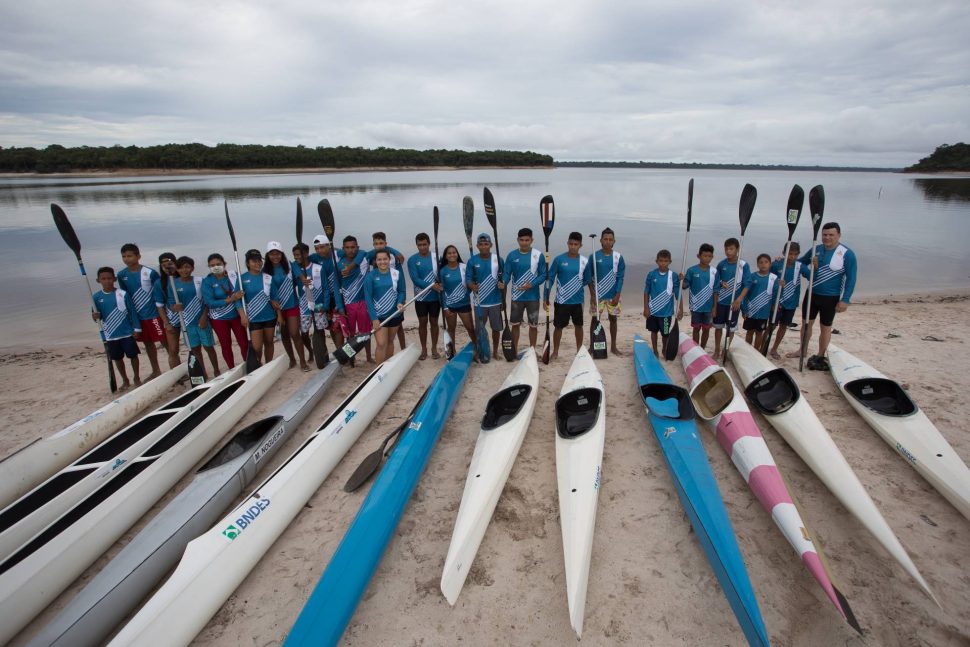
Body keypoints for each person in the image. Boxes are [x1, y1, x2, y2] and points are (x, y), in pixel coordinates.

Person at [788, 222, 858, 370]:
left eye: (831, 235)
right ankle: (802, 350)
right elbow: (799, 263)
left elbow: (851, 279)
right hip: (812, 294)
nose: (827, 237)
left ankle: (820, 355)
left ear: (838, 235)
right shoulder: (816, 249)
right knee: (806, 325)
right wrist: (784, 261)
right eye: (825, 234)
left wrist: (845, 300)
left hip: (830, 297)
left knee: (825, 328)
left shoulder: (847, 254)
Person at [117, 243, 168, 379]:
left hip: (154, 315)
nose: (127, 259)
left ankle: (175, 365)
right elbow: (124, 296)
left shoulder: (150, 272)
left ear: (138, 256)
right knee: (148, 344)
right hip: (138, 317)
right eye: (124, 256)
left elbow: (161, 290)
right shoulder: (121, 275)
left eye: (130, 256)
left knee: (164, 341)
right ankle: (156, 370)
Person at [168, 256, 220, 376]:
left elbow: (208, 300)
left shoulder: (200, 281)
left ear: (192, 268)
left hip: (202, 321)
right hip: (187, 323)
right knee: (195, 349)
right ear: (177, 269)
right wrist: (175, 307)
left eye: (187, 267)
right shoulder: (173, 284)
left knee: (208, 347)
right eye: (181, 268)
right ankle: (203, 372)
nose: (184, 270)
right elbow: (171, 303)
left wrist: (204, 316)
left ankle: (216, 370)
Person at [92, 266, 141, 389]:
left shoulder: (122, 294)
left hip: (127, 333)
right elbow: (96, 318)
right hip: (111, 335)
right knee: (118, 358)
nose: (107, 281)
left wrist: (137, 328)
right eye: (103, 279)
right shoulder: (96, 297)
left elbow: (132, 312)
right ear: (98, 280)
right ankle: (125, 380)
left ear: (114, 279)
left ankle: (137, 377)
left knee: (133, 356)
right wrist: (95, 316)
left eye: (109, 278)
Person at [545, 232, 591, 360]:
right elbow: (550, 279)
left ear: (580, 245)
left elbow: (588, 280)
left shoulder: (584, 261)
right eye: (571, 244)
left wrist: (592, 296)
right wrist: (546, 296)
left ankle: (579, 350)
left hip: (578, 301)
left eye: (576, 244)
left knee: (579, 326)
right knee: (558, 327)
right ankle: (555, 352)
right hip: (561, 301)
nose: (573, 247)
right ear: (567, 243)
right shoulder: (559, 260)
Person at [265, 241, 309, 372]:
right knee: (284, 335)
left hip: (292, 305)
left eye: (277, 253)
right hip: (277, 308)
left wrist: (303, 279)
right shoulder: (265, 271)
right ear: (268, 255)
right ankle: (292, 359)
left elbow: (299, 274)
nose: (275, 256)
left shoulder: (290, 265)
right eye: (272, 254)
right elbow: (267, 290)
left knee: (295, 333)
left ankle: (302, 361)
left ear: (282, 254)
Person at [201, 253, 249, 369]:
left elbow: (240, 296)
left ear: (224, 264)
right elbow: (210, 303)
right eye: (212, 265)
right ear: (209, 267)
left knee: (244, 343)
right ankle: (231, 368)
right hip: (218, 318)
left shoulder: (233, 276)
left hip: (236, 316)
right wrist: (230, 299)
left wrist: (243, 315)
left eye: (218, 264)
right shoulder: (207, 281)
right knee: (226, 345)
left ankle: (248, 364)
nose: (216, 267)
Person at [502, 227, 547, 350]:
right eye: (521, 240)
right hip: (517, 297)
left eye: (527, 240)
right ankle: (515, 349)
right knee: (515, 325)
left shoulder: (538, 255)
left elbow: (543, 275)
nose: (524, 243)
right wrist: (503, 283)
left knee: (533, 325)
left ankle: (532, 350)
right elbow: (507, 273)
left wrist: (532, 284)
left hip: (533, 297)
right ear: (518, 240)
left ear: (532, 240)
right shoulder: (511, 255)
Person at [767, 242, 810, 360]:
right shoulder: (776, 265)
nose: (792, 257)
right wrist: (776, 283)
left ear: (798, 254)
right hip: (777, 302)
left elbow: (812, 277)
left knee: (783, 326)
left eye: (795, 254)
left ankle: (774, 349)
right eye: (790, 254)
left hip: (791, 303)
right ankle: (763, 346)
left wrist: (815, 266)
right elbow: (767, 278)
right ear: (784, 253)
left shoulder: (800, 266)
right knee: (771, 325)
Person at [364, 249, 407, 364]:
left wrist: (400, 302)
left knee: (390, 341)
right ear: (375, 261)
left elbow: (402, 291)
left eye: (385, 259)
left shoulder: (396, 273)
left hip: (394, 314)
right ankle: (378, 369)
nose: (382, 262)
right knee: (381, 343)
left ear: (389, 260)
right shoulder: (370, 276)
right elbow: (368, 298)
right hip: (379, 316)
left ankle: (388, 366)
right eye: (379, 259)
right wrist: (374, 318)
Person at [467, 232, 505, 359]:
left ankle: (495, 352)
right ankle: (481, 350)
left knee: (496, 329)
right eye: (481, 244)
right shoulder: (472, 261)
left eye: (486, 244)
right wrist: (472, 286)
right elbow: (468, 279)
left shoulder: (498, 259)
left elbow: (504, 278)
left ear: (491, 245)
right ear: (477, 246)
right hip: (479, 302)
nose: (484, 246)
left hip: (495, 301)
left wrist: (503, 298)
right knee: (479, 330)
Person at [712, 238, 750, 361]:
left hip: (734, 303)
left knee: (731, 329)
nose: (728, 251)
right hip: (721, 302)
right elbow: (716, 282)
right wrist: (721, 282)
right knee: (718, 327)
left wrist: (739, 300)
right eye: (726, 249)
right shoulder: (721, 264)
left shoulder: (743, 265)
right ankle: (717, 350)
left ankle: (725, 350)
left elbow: (747, 284)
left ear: (737, 249)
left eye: (731, 249)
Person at [336, 235, 373, 363]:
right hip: (348, 304)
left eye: (353, 247)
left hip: (364, 302)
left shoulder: (365, 258)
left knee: (366, 332)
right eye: (347, 248)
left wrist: (396, 253)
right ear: (343, 249)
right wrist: (340, 307)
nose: (350, 250)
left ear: (357, 247)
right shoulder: (339, 264)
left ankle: (369, 357)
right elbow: (336, 287)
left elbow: (378, 249)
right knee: (350, 334)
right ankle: (351, 358)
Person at [590, 227, 625, 355]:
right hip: (597, 296)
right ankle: (592, 346)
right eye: (605, 239)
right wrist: (592, 295)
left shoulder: (618, 257)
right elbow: (589, 277)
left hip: (613, 295)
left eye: (610, 239)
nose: (608, 241)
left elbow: (620, 277)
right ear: (600, 240)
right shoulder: (594, 256)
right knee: (595, 320)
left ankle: (613, 347)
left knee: (613, 319)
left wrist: (617, 294)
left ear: (614, 241)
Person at [293, 243, 331, 360]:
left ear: (306, 254)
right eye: (295, 255)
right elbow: (293, 265)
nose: (296, 257)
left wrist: (326, 305)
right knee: (304, 333)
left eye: (299, 254)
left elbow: (325, 288)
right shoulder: (295, 269)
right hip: (304, 306)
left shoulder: (318, 268)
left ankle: (323, 353)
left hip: (319, 305)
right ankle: (310, 351)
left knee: (320, 331)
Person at [310, 234, 347, 354]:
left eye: (322, 247)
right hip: (327, 298)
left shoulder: (338, 254)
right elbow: (300, 261)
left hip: (340, 297)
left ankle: (344, 353)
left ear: (329, 245)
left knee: (341, 327)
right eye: (316, 248)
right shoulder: (315, 257)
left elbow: (357, 253)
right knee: (333, 327)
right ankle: (339, 352)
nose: (319, 250)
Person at [407, 232, 442, 360]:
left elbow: (442, 274)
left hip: (435, 298)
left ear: (429, 244)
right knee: (422, 323)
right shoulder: (412, 260)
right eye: (419, 245)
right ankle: (424, 349)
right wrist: (432, 286)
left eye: (424, 244)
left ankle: (434, 348)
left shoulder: (437, 257)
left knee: (434, 322)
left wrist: (441, 284)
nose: (422, 247)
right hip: (420, 297)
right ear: (416, 245)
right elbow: (415, 279)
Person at [239, 249, 277, 364]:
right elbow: (238, 300)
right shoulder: (242, 279)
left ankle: (268, 364)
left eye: (259, 260)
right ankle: (258, 365)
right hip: (253, 318)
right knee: (257, 347)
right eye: (254, 261)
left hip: (270, 316)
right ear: (248, 263)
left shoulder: (268, 277)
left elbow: (274, 297)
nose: (258, 263)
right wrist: (242, 316)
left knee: (269, 343)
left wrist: (279, 313)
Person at [440, 245, 479, 351]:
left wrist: (467, 292)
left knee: (470, 328)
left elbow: (470, 283)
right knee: (451, 329)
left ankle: (477, 348)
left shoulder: (464, 267)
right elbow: (441, 291)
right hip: (450, 306)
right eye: (449, 253)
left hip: (464, 304)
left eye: (454, 252)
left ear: (457, 254)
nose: (452, 255)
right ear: (445, 256)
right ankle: (452, 351)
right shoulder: (442, 271)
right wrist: (445, 307)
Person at [643, 249, 680, 357]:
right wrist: (646, 308)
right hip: (653, 311)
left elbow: (678, 294)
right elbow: (646, 292)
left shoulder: (673, 275)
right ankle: (655, 350)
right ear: (657, 261)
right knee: (653, 331)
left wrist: (680, 309)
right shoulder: (651, 274)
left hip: (666, 313)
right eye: (661, 261)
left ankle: (664, 348)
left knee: (665, 334)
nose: (663, 263)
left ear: (670, 262)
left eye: (665, 261)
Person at [681, 243, 717, 349]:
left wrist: (715, 307)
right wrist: (681, 280)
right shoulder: (692, 270)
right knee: (696, 328)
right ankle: (696, 348)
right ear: (699, 256)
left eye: (709, 256)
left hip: (709, 308)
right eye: (705, 256)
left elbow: (716, 290)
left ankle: (703, 348)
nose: (707, 258)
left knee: (706, 329)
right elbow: (684, 286)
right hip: (695, 306)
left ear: (712, 257)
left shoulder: (714, 271)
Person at [740, 254, 779, 350]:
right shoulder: (752, 276)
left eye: (766, 262)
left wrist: (775, 305)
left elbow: (776, 295)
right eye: (761, 262)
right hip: (750, 311)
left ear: (770, 264)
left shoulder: (774, 278)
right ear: (757, 264)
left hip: (763, 313)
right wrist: (744, 309)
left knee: (759, 332)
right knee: (749, 332)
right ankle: (748, 350)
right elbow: (745, 294)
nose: (763, 264)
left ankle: (756, 351)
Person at [158, 252, 182, 370]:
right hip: (172, 318)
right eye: (163, 264)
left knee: (195, 346)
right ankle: (177, 374)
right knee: (173, 350)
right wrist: (166, 323)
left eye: (170, 263)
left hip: (187, 316)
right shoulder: (159, 283)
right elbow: (160, 306)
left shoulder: (182, 277)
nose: (167, 266)